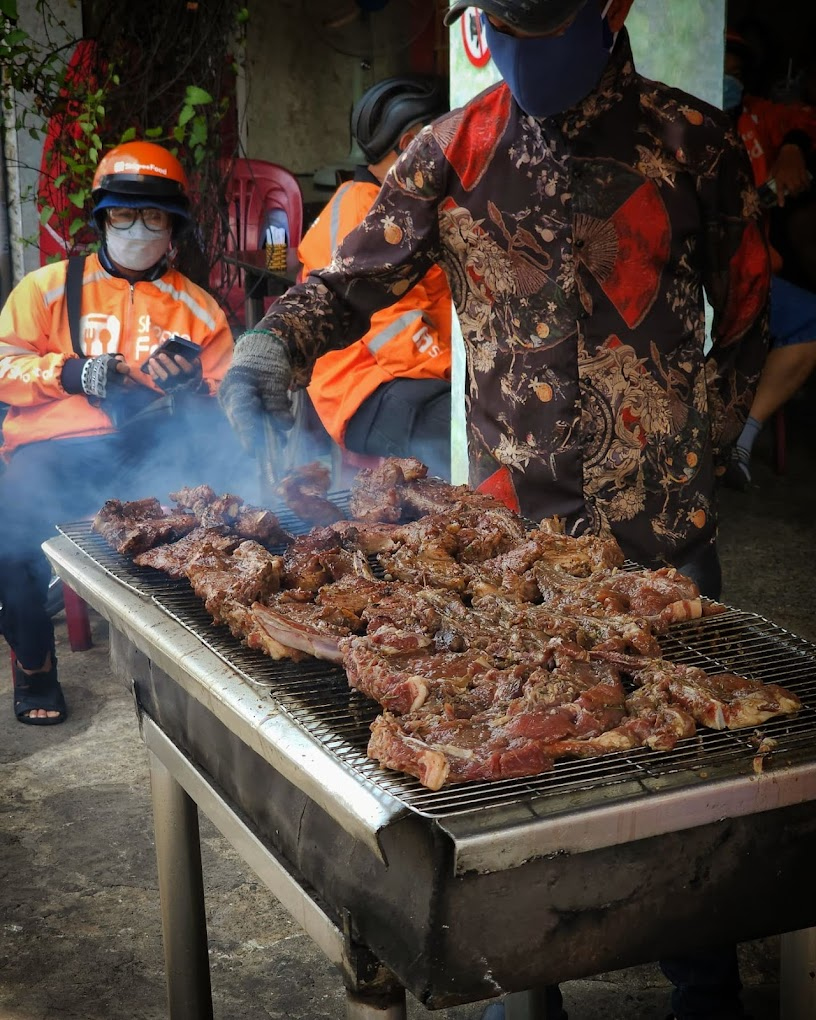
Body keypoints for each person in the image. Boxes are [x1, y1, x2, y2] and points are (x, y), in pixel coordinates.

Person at [218, 2, 770, 1017]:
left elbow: (745, 316)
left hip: (662, 538)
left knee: (696, 790)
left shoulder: (693, 142)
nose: (522, 49)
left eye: (544, 22)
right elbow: (351, 281)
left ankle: (704, 981)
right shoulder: (451, 149)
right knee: (516, 783)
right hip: (515, 542)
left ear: (606, 14)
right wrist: (272, 348)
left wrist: (705, 440)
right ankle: (528, 987)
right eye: (503, 25)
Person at [0, 140, 243, 726]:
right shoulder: (48, 289)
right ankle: (34, 668)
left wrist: (192, 393)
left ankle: (196, 669)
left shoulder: (199, 310)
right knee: (7, 538)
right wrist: (70, 372)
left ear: (173, 226)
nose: (137, 228)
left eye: (152, 216)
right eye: (123, 215)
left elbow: (229, 421)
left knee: (218, 524)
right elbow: (3, 364)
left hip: (149, 455)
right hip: (53, 449)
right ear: (102, 219)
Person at [300, 75, 453, 480]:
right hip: (368, 385)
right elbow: (395, 335)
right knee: (467, 435)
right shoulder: (367, 214)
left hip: (406, 374)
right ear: (409, 143)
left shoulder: (398, 204)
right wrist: (463, 374)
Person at [723, 31, 816, 489]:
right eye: (720, 67)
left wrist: (795, 147)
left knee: (809, 322)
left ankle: (743, 438)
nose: (727, 80)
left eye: (736, 74)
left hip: (751, 272)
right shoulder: (663, 114)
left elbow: (806, 118)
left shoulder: (755, 119)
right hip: (682, 272)